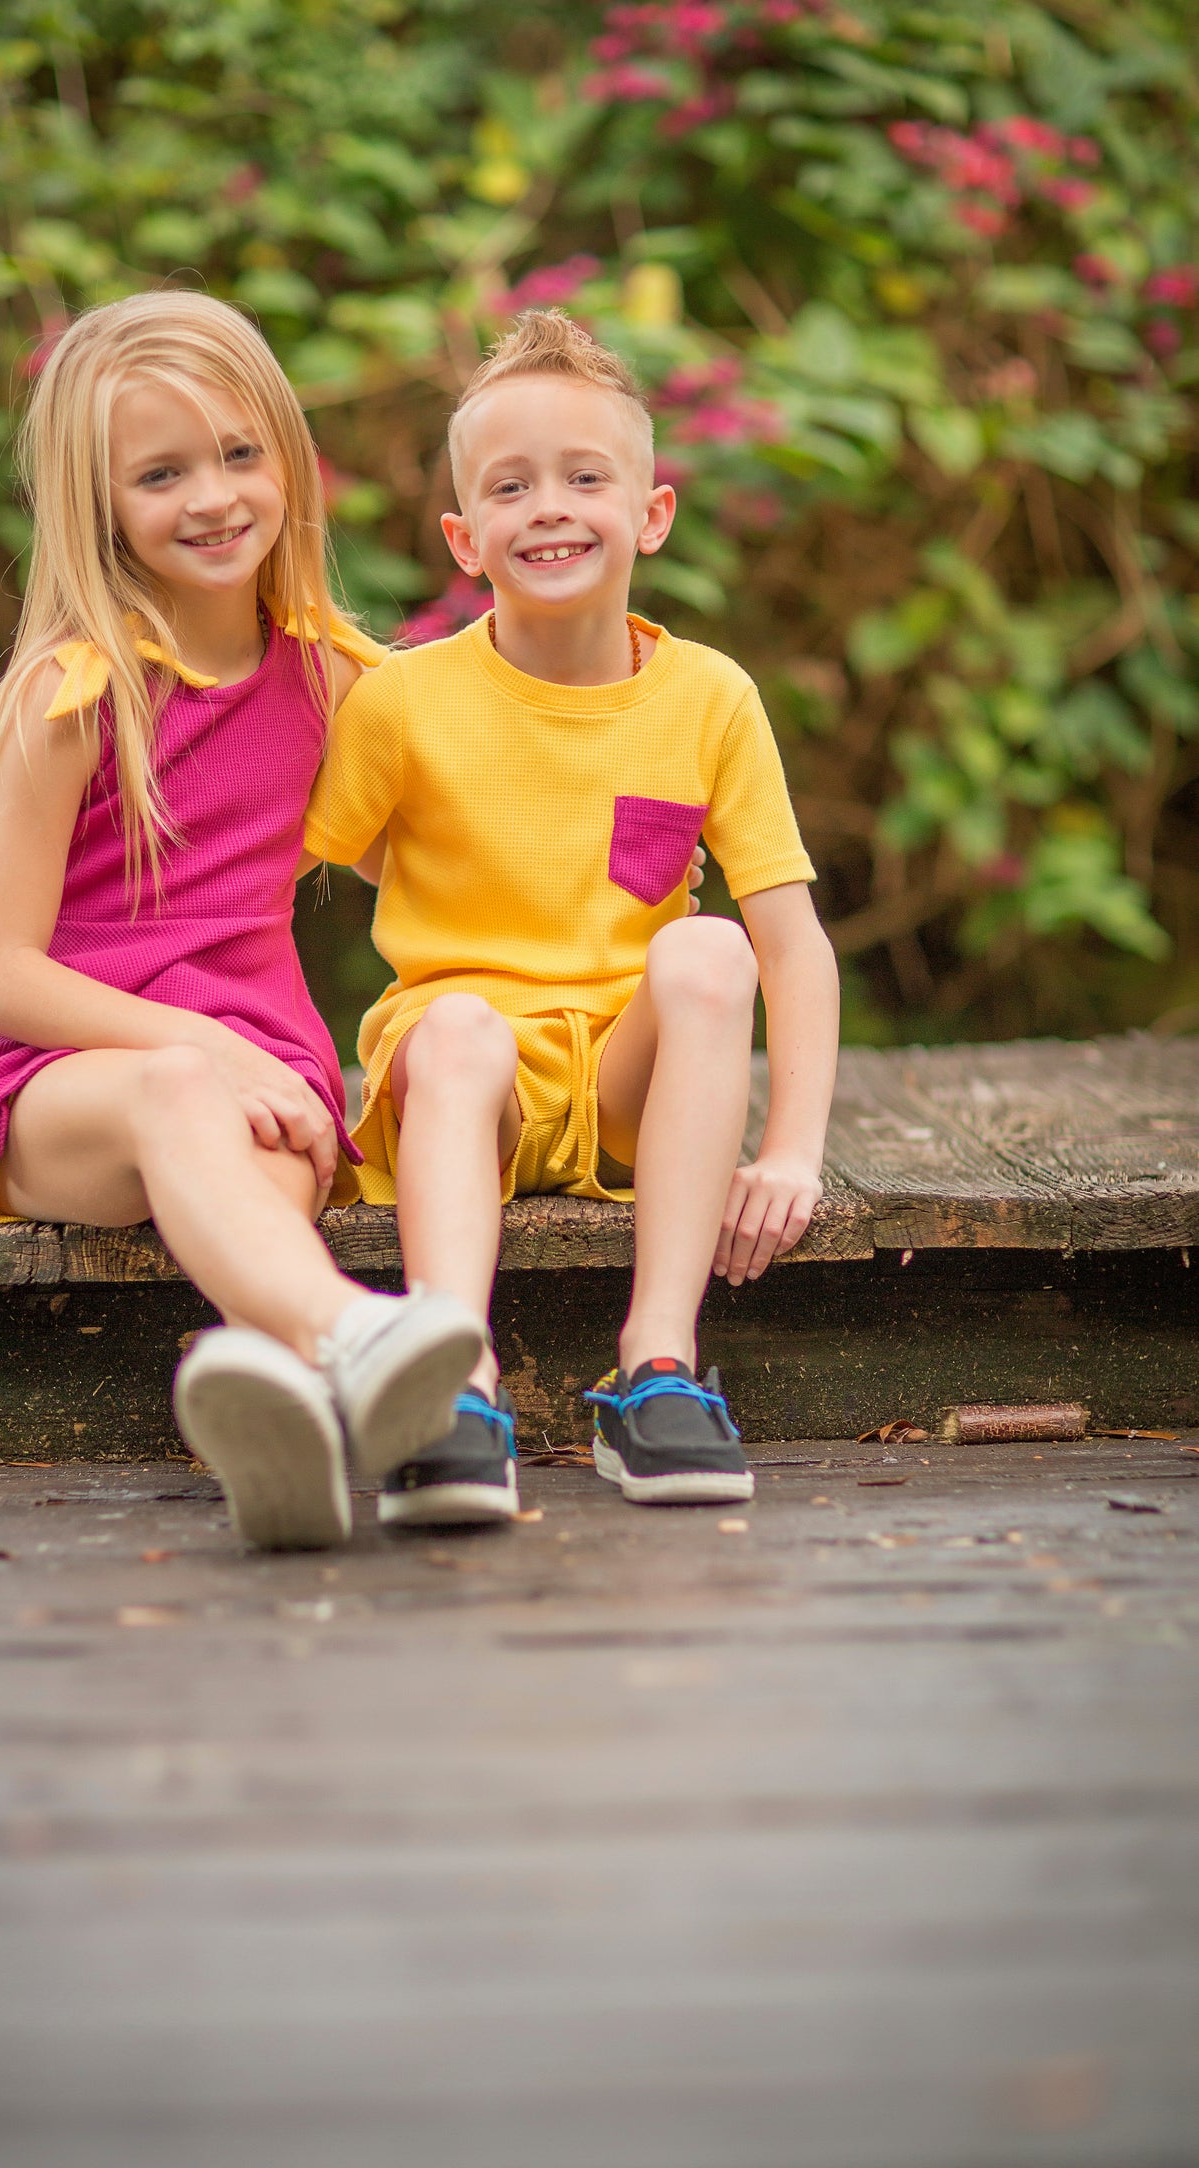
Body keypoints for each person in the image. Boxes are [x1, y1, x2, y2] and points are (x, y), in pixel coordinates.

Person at [0, 291, 485, 1552]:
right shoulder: (75, 692)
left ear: (285, 458)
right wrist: (191, 1046)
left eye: (237, 453)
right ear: (96, 504)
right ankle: (359, 1338)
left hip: (263, 1064)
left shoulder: (331, 675)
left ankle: (293, 1433)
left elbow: (443, 869)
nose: (210, 496)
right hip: (63, 1082)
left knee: (258, 1183)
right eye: (160, 473)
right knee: (171, 1094)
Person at [304, 308, 839, 1527]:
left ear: (649, 513)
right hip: (457, 1077)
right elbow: (270, 878)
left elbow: (789, 940)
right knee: (455, 1029)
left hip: (621, 1083)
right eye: (510, 486)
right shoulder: (403, 700)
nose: (547, 506)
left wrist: (793, 1145)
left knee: (706, 944)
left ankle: (655, 1363)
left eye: (583, 477)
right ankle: (455, 1384)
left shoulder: (707, 697)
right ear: (465, 535)